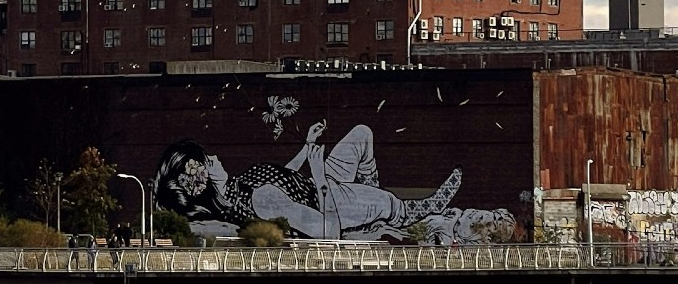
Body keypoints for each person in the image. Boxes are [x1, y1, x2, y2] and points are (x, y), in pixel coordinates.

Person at [153, 121, 462, 240]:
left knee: (362, 134)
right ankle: (406, 210)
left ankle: (372, 193)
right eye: (208, 161)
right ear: (205, 179)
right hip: (333, 202)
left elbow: (280, 178)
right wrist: (317, 174)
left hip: (319, 182)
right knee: (390, 204)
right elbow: (328, 233)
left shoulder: (241, 187)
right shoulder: (259, 201)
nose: (216, 158)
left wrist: (305, 149)